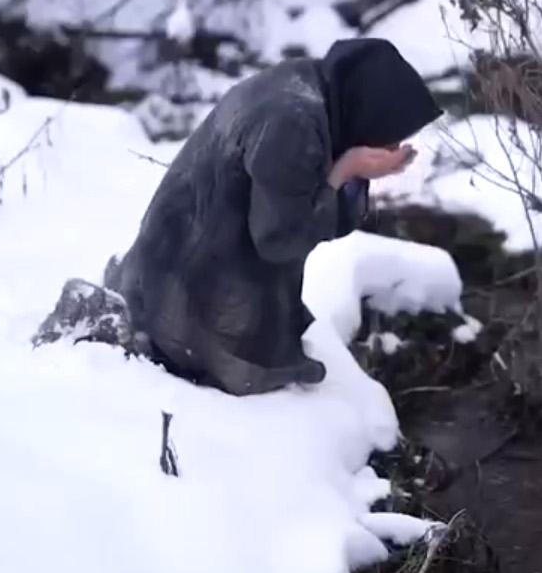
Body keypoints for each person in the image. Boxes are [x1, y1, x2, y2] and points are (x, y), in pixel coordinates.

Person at [111, 37, 442, 396]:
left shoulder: (309, 87)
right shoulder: (294, 125)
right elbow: (280, 240)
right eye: (390, 137)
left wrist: (351, 172)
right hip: (182, 300)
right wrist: (345, 172)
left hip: (164, 270)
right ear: (368, 111)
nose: (392, 149)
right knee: (260, 368)